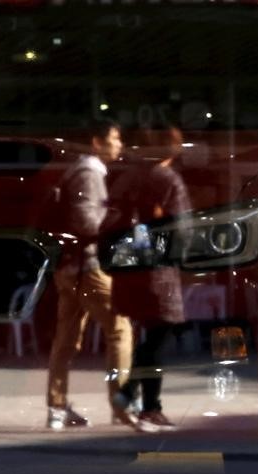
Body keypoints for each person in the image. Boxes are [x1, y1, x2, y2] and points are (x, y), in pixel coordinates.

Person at [46, 118, 134, 430]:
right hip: (89, 267)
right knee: (120, 330)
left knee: (66, 339)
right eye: (115, 138)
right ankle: (121, 406)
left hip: (68, 268)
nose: (119, 144)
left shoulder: (75, 173)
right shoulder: (90, 173)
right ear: (97, 142)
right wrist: (118, 217)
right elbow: (88, 223)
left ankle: (57, 409)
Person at [105, 125, 192, 433]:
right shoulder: (167, 179)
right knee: (159, 335)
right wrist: (182, 257)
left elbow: (110, 218)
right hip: (158, 272)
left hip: (128, 270)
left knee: (149, 336)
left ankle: (135, 397)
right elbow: (182, 229)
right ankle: (144, 404)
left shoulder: (128, 177)